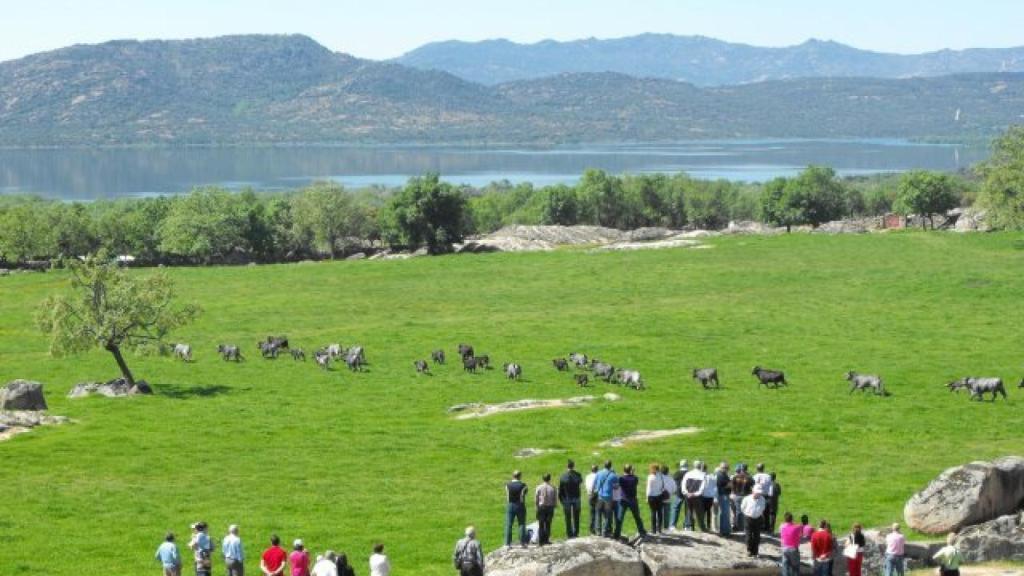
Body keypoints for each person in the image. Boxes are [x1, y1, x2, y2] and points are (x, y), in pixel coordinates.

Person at [616, 464, 647, 539]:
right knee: (637, 517)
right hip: (633, 500)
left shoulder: (621, 478)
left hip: (623, 499)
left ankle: (617, 533)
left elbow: (618, 485)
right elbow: (635, 479)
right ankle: (642, 531)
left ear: (624, 470)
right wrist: (632, 473)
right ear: (630, 470)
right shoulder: (635, 478)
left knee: (620, 517)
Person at [558, 460, 584, 539]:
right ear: (573, 466)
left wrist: (561, 499)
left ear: (567, 466)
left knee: (568, 517)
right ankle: (576, 532)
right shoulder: (578, 475)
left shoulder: (563, 476)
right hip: (576, 497)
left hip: (567, 498)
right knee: (576, 516)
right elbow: (580, 481)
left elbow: (560, 489)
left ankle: (569, 533)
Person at [504, 470, 529, 547]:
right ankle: (522, 543)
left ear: (513, 476)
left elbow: (507, 494)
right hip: (520, 505)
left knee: (509, 524)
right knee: (521, 524)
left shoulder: (507, 485)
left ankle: (507, 543)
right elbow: (524, 493)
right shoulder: (523, 485)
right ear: (520, 476)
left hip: (510, 505)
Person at [741, 486, 767, 557]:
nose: (759, 494)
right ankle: (749, 550)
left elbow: (763, 508)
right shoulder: (747, 499)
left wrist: (758, 513)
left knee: (757, 536)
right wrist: (747, 514)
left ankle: (755, 551)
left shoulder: (762, 499)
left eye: (760, 493)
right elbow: (742, 508)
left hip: (758, 519)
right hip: (748, 518)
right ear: (753, 492)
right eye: (757, 493)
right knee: (749, 536)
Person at [594, 460, 618, 538]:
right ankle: (604, 531)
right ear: (610, 466)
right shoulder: (613, 475)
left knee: (598, 514)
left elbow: (595, 484)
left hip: (600, 497)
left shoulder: (598, 473)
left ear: (604, 465)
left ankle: (598, 531)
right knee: (607, 515)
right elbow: (616, 487)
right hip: (608, 498)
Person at [682, 460, 708, 532]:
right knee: (699, 512)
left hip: (688, 495)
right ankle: (702, 527)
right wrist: (696, 494)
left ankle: (688, 527)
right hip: (697, 496)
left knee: (689, 511)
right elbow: (703, 487)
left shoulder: (688, 474)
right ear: (700, 466)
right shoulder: (703, 475)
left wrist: (687, 493)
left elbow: (683, 485)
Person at [535, 473, 558, 545]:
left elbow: (536, 498)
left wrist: (537, 506)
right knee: (548, 524)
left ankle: (541, 541)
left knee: (541, 524)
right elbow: (555, 498)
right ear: (549, 479)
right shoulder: (553, 487)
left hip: (541, 507)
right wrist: (554, 505)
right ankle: (546, 539)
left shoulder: (538, 487)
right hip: (550, 507)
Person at [645, 463, 666, 535]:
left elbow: (649, 488)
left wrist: (647, 497)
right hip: (659, 496)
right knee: (660, 512)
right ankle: (659, 529)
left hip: (652, 497)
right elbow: (662, 486)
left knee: (653, 512)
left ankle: (653, 530)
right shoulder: (660, 476)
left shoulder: (650, 477)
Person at [731, 464, 752, 533]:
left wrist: (734, 493)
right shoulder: (749, 477)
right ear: (746, 469)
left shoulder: (736, 476)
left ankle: (738, 526)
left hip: (737, 496)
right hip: (746, 496)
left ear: (741, 469)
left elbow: (732, 486)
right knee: (746, 511)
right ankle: (745, 527)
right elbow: (753, 485)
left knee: (738, 511)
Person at [670, 460, 689, 530]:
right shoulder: (689, 473)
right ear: (687, 465)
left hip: (678, 493)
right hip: (688, 494)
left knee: (675, 509)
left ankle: (672, 525)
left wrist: (674, 491)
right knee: (688, 510)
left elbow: (673, 483)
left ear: (680, 465)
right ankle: (687, 526)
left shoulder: (677, 473)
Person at [715, 462, 732, 536]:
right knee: (725, 513)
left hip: (724, 495)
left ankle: (724, 530)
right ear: (720, 467)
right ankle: (725, 531)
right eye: (724, 468)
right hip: (723, 495)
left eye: (726, 468)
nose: (726, 469)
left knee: (725, 513)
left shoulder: (723, 474)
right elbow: (724, 485)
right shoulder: (720, 475)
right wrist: (730, 484)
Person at [700, 461, 717, 531]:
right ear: (706, 469)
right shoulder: (711, 476)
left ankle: (702, 526)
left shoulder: (700, 476)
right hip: (710, 496)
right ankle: (708, 525)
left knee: (702, 511)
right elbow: (715, 484)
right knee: (708, 511)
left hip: (702, 496)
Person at [585, 464, 599, 536]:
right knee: (598, 512)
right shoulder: (598, 476)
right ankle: (597, 529)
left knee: (592, 512)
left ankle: (591, 529)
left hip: (590, 495)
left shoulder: (587, 476)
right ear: (597, 469)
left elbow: (586, 486)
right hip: (597, 495)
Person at [660, 465, 674, 532]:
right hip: (668, 498)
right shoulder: (671, 479)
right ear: (668, 471)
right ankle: (666, 528)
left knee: (658, 513)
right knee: (667, 514)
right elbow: (674, 489)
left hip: (659, 498)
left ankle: (658, 527)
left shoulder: (658, 478)